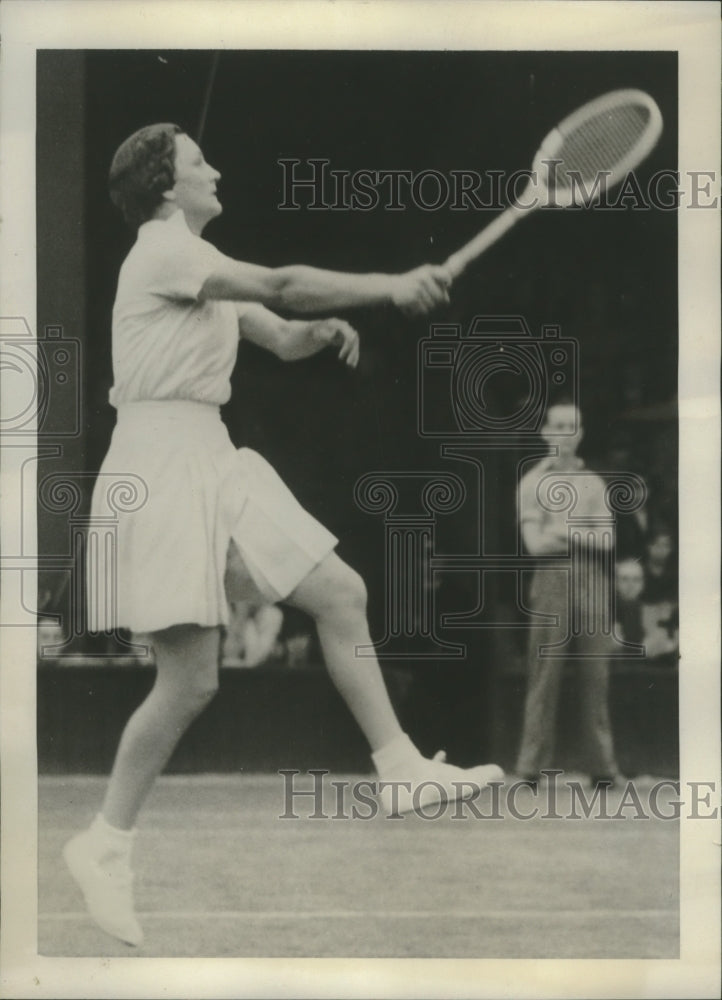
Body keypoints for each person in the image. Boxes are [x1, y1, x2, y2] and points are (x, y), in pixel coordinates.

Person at [63, 123, 503, 947]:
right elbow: (287, 285)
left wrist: (319, 336)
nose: (217, 169)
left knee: (340, 591)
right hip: (158, 463)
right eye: (200, 162)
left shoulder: (197, 261)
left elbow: (283, 327)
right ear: (165, 185)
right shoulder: (161, 250)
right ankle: (105, 844)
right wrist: (388, 286)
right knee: (190, 683)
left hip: (213, 452)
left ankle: (400, 768)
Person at [515, 400, 621, 789]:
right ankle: (529, 768)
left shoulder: (593, 484)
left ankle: (603, 769)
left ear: (580, 434)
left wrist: (562, 532)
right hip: (550, 582)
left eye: (572, 426)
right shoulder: (530, 483)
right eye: (557, 425)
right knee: (544, 675)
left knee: (596, 674)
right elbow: (534, 546)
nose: (564, 433)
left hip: (592, 582)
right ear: (545, 432)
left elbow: (607, 540)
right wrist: (580, 534)